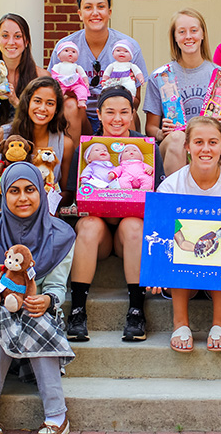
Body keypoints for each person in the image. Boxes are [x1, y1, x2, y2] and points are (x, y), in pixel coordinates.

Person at [0, 162, 76, 434]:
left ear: (41, 191)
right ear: (3, 194)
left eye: (30, 190)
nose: (23, 198)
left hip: (39, 316)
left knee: (32, 314)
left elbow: (57, 286)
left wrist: (47, 300)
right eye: (14, 191)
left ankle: (56, 414)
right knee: (3, 314)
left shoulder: (61, 234)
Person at [64, 86, 166, 342]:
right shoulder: (86, 149)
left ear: (133, 114)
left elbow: (157, 194)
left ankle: (136, 310)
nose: (117, 119)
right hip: (98, 232)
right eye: (110, 112)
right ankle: (77, 311)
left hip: (127, 235)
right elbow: (73, 194)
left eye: (124, 112)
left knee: (133, 226)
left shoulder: (146, 149)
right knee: (88, 225)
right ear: (98, 114)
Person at [157, 116, 221, 352]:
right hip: (183, 268)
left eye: (213, 142)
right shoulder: (171, 186)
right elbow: (161, 231)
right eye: (198, 142)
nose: (206, 149)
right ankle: (180, 323)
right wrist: (156, 272)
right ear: (187, 147)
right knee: (178, 245)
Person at [144, 8, 221, 176]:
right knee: (178, 139)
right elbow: (150, 127)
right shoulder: (160, 77)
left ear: (203, 34)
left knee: (213, 142)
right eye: (182, 32)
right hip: (174, 146)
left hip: (209, 145)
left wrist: (220, 126)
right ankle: (174, 199)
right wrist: (162, 132)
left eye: (194, 30)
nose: (188, 36)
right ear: (175, 37)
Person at [48, 0, 148, 144]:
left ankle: (127, 167)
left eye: (101, 7)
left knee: (127, 112)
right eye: (88, 7)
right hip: (81, 115)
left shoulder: (128, 46)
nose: (95, 13)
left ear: (109, 12)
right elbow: (54, 93)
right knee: (70, 106)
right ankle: (73, 167)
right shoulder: (65, 46)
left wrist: (113, 108)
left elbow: (135, 100)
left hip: (114, 116)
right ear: (80, 14)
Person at [0, 77, 74, 210]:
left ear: (57, 109)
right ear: (27, 103)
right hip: (3, 212)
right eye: (37, 101)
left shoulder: (65, 144)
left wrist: (40, 199)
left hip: (44, 214)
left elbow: (68, 194)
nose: (42, 108)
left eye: (50, 103)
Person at [0, 13, 51, 133]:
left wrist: (15, 101)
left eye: (17, 36)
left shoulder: (41, 77)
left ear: (26, 41)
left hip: (28, 136)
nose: (11, 42)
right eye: (5, 36)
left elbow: (45, 121)